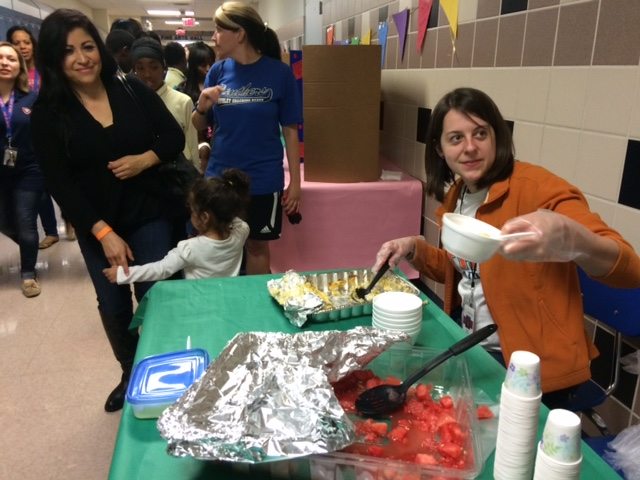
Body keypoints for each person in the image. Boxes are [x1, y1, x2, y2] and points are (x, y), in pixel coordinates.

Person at [372, 87, 640, 406]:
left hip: (532, 370)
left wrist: (576, 241)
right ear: (440, 150)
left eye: (480, 134)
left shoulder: (539, 190)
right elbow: (465, 271)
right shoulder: (458, 195)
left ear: (497, 136)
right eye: (456, 138)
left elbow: (630, 271)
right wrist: (414, 247)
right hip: (474, 346)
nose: (470, 148)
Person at [31, 9, 185, 412]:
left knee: (156, 295)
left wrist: (144, 159)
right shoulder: (49, 113)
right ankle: (131, 373)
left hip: (149, 211)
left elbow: (171, 136)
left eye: (87, 46)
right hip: (95, 222)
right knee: (114, 304)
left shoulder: (130, 89)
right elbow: (59, 184)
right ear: (53, 58)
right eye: (69, 51)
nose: (82, 58)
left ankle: (165, 371)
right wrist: (102, 232)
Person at [193, 1, 302, 275]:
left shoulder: (280, 74)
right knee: (218, 249)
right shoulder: (217, 72)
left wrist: (296, 184)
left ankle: (255, 314)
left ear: (239, 34)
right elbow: (198, 123)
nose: (214, 38)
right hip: (219, 180)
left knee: (256, 247)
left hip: (263, 180)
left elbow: (290, 130)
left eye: (219, 30)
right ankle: (222, 310)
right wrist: (202, 105)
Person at [103, 169, 250, 283]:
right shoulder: (242, 231)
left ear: (204, 217)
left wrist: (122, 274)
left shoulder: (189, 249)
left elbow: (160, 269)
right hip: (227, 296)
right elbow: (234, 218)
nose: (190, 214)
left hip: (199, 301)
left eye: (192, 210)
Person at [6, 25, 71, 247]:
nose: (22, 46)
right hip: (24, 138)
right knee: (38, 187)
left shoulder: (45, 70)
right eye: (17, 42)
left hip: (51, 131)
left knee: (59, 178)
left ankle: (69, 220)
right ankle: (51, 231)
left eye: (26, 42)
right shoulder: (13, 76)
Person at [0, 41, 45, 297]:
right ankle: (28, 246)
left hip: (29, 170)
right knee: (5, 222)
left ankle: (28, 273)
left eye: (11, 59)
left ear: (20, 66)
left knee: (26, 222)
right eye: (1, 58)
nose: (5, 62)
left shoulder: (31, 98)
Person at [130, 37, 199, 171]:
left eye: (154, 67)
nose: (147, 74)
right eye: (140, 68)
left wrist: (196, 178)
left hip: (177, 176)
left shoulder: (182, 101)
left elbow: (192, 145)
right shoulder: (129, 102)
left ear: (164, 68)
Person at [183, 41, 215, 172]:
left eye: (211, 64)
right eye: (203, 65)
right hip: (191, 150)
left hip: (216, 149)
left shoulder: (219, 86)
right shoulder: (182, 90)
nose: (208, 68)